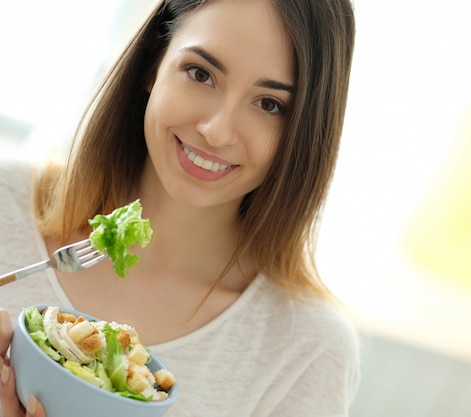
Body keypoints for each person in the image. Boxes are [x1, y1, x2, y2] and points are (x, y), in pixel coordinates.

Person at [0, 0, 359, 415]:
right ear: (155, 60)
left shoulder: (308, 351)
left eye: (269, 104)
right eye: (201, 74)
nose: (216, 131)